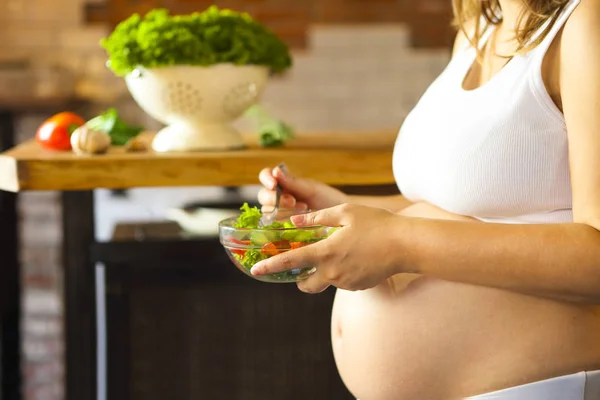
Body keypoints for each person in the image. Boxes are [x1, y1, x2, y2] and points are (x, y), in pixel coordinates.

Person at [251, 0, 600, 399]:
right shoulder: (479, 33)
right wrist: (339, 208)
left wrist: (399, 243)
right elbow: (458, 211)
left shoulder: (586, 22)